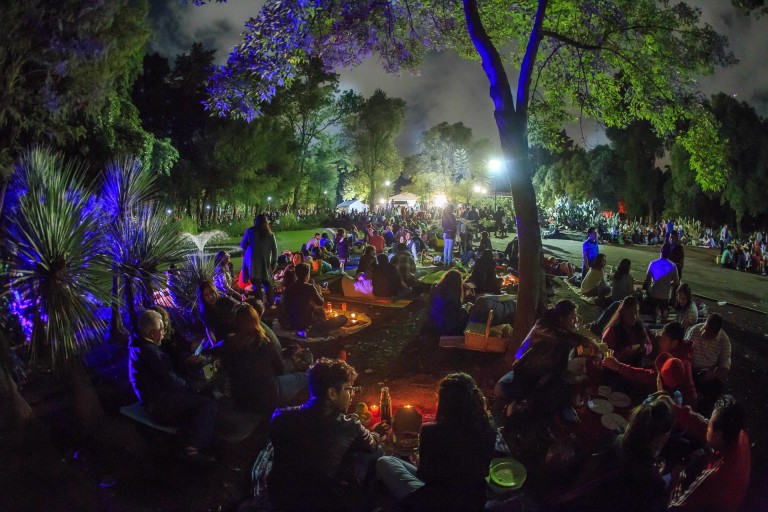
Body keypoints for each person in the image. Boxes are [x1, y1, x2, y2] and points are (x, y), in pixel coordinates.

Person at [268, 358, 385, 511]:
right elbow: (371, 444)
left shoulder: (280, 416)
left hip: (281, 497)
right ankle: (368, 500)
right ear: (331, 393)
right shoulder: (349, 425)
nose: (352, 395)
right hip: (324, 502)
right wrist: (377, 432)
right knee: (377, 452)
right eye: (348, 389)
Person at [376, 373, 497, 512]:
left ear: (445, 403)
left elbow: (425, 476)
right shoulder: (487, 427)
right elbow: (482, 468)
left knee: (385, 462)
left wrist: (419, 460)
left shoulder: (432, 432)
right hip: (474, 498)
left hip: (438, 501)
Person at [128, 310, 217, 463]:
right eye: (161, 330)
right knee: (207, 404)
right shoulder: (149, 351)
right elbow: (170, 379)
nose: (164, 333)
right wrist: (193, 387)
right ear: (153, 333)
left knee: (201, 395)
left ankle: (194, 436)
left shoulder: (139, 344)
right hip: (159, 405)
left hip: (155, 399)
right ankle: (192, 449)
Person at [496, 300, 598, 414]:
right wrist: (587, 341)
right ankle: (522, 404)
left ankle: (528, 401)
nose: (575, 321)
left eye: (576, 317)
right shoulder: (543, 325)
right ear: (561, 318)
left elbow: (568, 352)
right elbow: (558, 337)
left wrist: (587, 353)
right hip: (527, 372)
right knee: (556, 397)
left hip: (543, 372)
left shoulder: (564, 333)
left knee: (569, 386)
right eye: (572, 317)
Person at [202, 304, 306, 413]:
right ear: (256, 321)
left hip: (241, 399)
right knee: (306, 376)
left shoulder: (227, 344)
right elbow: (280, 370)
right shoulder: (265, 343)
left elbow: (207, 353)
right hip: (267, 397)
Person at [668, 395, 751, 512]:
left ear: (718, 434)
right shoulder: (740, 435)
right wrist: (675, 409)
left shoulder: (714, 476)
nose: (707, 427)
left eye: (710, 426)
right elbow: (704, 427)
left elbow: (674, 507)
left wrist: (678, 476)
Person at [603, 322, 696, 407]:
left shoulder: (675, 363)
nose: (659, 343)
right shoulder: (680, 350)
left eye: (663, 340)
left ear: (674, 343)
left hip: (680, 407)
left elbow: (651, 377)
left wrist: (619, 366)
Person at [281, 263, 347, 336]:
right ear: (307, 275)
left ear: (296, 275)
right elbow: (320, 302)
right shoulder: (310, 287)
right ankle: (317, 329)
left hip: (291, 323)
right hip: (306, 323)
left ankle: (319, 327)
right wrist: (320, 292)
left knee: (317, 311)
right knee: (341, 318)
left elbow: (285, 307)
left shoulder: (288, 289)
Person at [686, 314, 731, 415]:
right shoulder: (695, 330)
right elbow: (684, 349)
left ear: (716, 333)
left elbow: (726, 366)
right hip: (690, 369)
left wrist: (712, 374)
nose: (703, 333)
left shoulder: (724, 341)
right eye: (704, 328)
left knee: (717, 387)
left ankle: (702, 414)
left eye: (709, 333)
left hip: (707, 375)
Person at [601, 295, 652, 365]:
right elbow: (606, 356)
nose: (634, 317)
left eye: (635, 313)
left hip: (635, 368)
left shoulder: (639, 327)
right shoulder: (612, 331)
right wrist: (622, 354)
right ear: (623, 313)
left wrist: (644, 348)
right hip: (616, 370)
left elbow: (649, 345)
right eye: (630, 313)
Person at [240, 213, 278, 305]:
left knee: (257, 286)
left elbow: (242, 245)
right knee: (267, 284)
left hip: (253, 264)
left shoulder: (250, 231)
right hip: (263, 263)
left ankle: (260, 306)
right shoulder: (270, 235)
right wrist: (273, 263)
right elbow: (275, 251)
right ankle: (271, 304)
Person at [643, 243, 680, 322]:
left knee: (652, 317)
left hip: (654, 294)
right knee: (664, 318)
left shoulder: (653, 263)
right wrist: (668, 284)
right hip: (665, 296)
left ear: (661, 251)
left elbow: (647, 281)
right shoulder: (673, 266)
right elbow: (676, 282)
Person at [428, 269, 469, 335]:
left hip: (433, 321)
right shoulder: (452, 294)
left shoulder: (436, 287)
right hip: (447, 325)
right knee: (466, 312)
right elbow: (455, 311)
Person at [198, 281, 239, 345]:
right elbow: (208, 329)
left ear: (215, 291)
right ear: (203, 298)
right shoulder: (205, 312)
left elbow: (240, 309)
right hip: (223, 343)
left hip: (237, 337)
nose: (210, 297)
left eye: (211, 292)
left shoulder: (226, 301)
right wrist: (214, 346)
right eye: (206, 295)